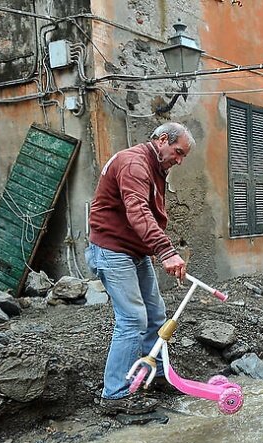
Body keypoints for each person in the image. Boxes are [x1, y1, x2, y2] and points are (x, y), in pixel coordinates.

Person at [85, 122, 194, 415]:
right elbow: (137, 211)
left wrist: (152, 247)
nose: (179, 160)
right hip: (112, 249)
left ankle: (155, 376)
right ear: (161, 140)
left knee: (155, 313)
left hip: (133, 250)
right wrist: (166, 251)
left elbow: (145, 214)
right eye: (178, 152)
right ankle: (115, 395)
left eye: (183, 156)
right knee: (132, 319)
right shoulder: (135, 164)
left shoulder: (153, 167)